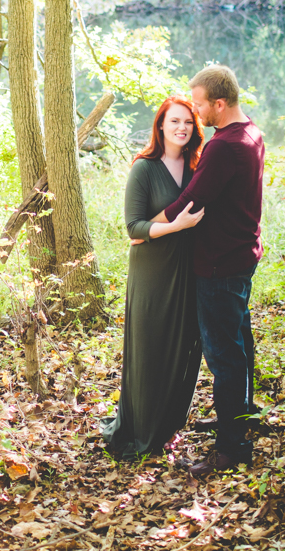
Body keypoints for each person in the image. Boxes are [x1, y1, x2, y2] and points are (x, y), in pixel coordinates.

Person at [151, 65, 264, 477]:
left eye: (198, 104)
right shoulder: (251, 133)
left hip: (220, 264)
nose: (195, 112)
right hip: (241, 256)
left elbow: (192, 202)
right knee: (240, 342)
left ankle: (232, 448)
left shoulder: (224, 147)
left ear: (219, 103)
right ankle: (241, 413)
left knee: (224, 356)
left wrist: (147, 225)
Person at [100, 97, 206, 459]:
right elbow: (133, 227)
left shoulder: (197, 166)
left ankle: (167, 425)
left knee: (183, 346)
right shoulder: (144, 169)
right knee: (150, 348)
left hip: (190, 270)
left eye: (188, 122)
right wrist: (175, 225)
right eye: (174, 121)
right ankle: (141, 429)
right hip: (152, 270)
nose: (181, 128)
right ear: (160, 125)